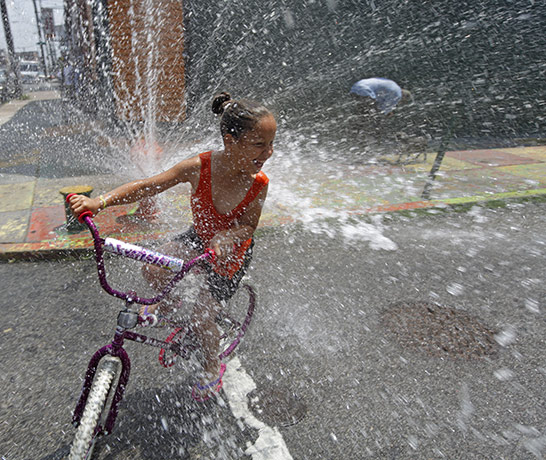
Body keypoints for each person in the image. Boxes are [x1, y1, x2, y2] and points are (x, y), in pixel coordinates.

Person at [68, 92, 276, 401]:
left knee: (203, 315)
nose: (269, 152)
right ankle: (169, 305)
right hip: (198, 238)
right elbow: (148, 185)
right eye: (260, 144)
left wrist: (227, 238)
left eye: (271, 144)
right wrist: (100, 202)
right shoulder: (200, 167)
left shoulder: (258, 182)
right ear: (230, 142)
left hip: (230, 255)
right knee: (152, 268)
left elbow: (249, 226)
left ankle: (210, 366)